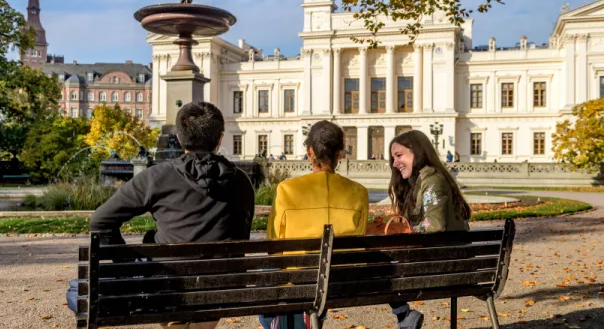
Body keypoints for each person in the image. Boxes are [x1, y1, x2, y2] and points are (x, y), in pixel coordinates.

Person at [66, 102, 255, 329]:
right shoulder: (242, 182)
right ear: (220, 138)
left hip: (166, 289)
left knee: (76, 289)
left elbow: (100, 221)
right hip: (223, 289)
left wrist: (127, 265)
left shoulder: (157, 177)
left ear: (180, 138)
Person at [260, 121, 369, 329]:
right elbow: (360, 239)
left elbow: (274, 245)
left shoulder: (286, 189)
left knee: (269, 291)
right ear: (339, 153)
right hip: (343, 281)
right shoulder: (359, 192)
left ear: (309, 151)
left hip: (297, 280)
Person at [387, 130, 471, 329]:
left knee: (378, 266)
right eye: (393, 158)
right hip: (446, 261)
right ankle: (404, 317)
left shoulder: (433, 181)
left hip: (446, 267)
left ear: (418, 152)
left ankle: (404, 316)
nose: (394, 163)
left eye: (399, 156)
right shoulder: (421, 181)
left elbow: (434, 224)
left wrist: (404, 230)